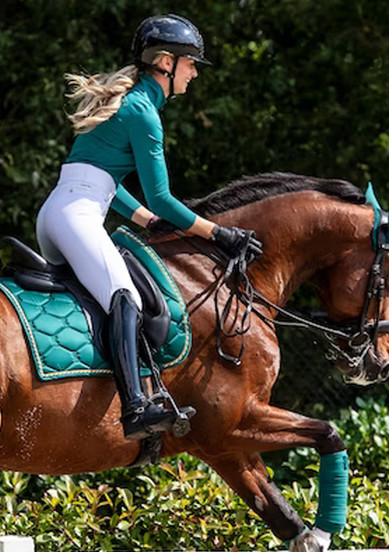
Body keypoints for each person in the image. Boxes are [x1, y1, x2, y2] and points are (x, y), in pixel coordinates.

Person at [36, 14, 261, 440]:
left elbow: (105, 179)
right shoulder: (143, 112)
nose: (194, 73)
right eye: (190, 63)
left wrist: (144, 221)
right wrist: (219, 233)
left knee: (102, 296)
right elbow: (161, 196)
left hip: (57, 214)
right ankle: (136, 408)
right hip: (77, 218)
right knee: (125, 298)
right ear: (165, 63)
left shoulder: (128, 105)